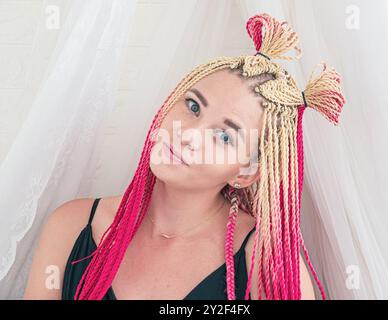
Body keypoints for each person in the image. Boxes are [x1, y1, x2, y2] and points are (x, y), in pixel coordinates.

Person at [24, 13, 345, 300]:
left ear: (245, 172)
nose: (187, 134)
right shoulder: (72, 226)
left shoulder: (265, 264)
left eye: (223, 135)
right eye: (193, 106)